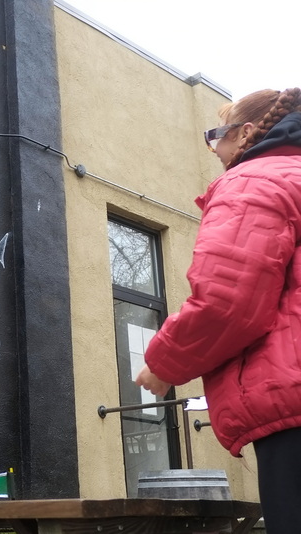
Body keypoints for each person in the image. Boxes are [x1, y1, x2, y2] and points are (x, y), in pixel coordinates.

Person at [136, 87, 301, 533]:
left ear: (246, 132)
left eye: (216, 137)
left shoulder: (254, 180)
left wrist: (164, 363)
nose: (214, 151)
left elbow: (229, 301)